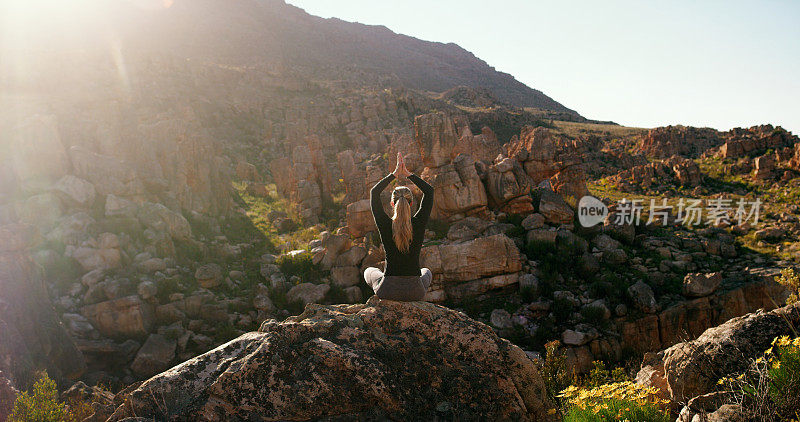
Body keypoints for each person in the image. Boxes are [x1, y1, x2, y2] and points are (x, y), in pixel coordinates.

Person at [364, 152, 434, 301]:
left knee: (369, 271)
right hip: (415, 292)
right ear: (411, 203)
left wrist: (394, 174)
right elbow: (429, 192)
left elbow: (374, 193)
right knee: (426, 271)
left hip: (388, 291)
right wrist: (408, 174)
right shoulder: (419, 222)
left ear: (392, 204)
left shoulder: (385, 224)